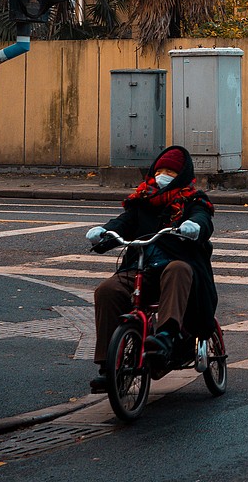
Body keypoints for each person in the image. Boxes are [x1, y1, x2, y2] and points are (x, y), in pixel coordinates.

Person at [85, 146, 218, 394]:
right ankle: (108, 366)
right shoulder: (142, 201)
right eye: (159, 171)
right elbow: (122, 223)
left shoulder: (193, 200)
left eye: (170, 172)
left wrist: (194, 226)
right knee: (108, 290)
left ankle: (166, 336)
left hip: (177, 269)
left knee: (178, 269)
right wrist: (103, 233)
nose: (162, 176)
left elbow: (203, 219)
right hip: (142, 269)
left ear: (181, 175)